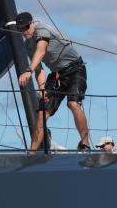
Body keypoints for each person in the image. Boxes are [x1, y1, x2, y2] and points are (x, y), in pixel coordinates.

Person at [15, 12, 90, 151]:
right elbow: (39, 70)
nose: (24, 32)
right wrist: (42, 89)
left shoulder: (41, 29)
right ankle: (32, 152)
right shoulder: (28, 46)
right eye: (20, 30)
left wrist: (27, 70)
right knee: (42, 112)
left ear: (32, 23)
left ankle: (84, 144)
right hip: (56, 75)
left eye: (26, 27)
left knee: (73, 103)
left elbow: (41, 51)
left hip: (76, 69)